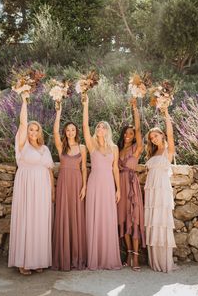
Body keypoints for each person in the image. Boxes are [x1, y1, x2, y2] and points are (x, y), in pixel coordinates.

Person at [8, 92, 55, 275]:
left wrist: (52, 191)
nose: (33, 132)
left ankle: (38, 259)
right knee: (27, 220)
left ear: (40, 132)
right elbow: (22, 123)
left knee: (40, 222)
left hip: (42, 188)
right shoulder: (22, 145)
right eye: (30, 129)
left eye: (36, 130)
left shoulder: (44, 148)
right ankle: (24, 261)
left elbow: (50, 170)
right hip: (27, 186)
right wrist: (24, 101)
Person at [82, 94, 122, 270]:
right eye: (98, 126)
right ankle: (94, 257)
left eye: (103, 127)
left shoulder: (114, 148)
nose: (100, 128)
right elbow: (84, 126)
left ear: (107, 131)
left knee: (107, 218)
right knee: (94, 217)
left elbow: (115, 169)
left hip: (108, 184)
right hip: (94, 183)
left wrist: (118, 189)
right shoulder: (91, 144)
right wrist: (86, 104)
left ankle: (108, 257)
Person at [52, 104, 87, 270]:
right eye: (68, 130)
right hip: (64, 184)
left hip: (78, 184)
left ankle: (76, 257)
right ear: (65, 132)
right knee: (64, 216)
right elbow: (54, 132)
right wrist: (58, 112)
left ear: (76, 131)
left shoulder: (82, 148)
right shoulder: (62, 147)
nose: (70, 132)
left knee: (76, 217)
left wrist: (84, 187)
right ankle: (63, 257)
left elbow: (84, 168)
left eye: (73, 130)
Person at [144, 106, 176, 272]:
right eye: (152, 138)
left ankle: (164, 261)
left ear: (162, 135)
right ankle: (154, 260)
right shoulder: (153, 153)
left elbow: (170, 135)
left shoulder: (168, 151)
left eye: (156, 136)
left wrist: (166, 115)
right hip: (151, 191)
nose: (154, 139)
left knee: (161, 222)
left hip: (162, 190)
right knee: (152, 223)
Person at [117, 98, 145, 271]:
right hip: (120, 185)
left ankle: (135, 256)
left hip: (132, 185)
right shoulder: (118, 150)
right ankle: (128, 252)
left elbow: (139, 128)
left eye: (131, 133)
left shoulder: (137, 148)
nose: (128, 135)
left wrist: (135, 109)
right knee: (123, 220)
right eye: (126, 133)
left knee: (134, 220)